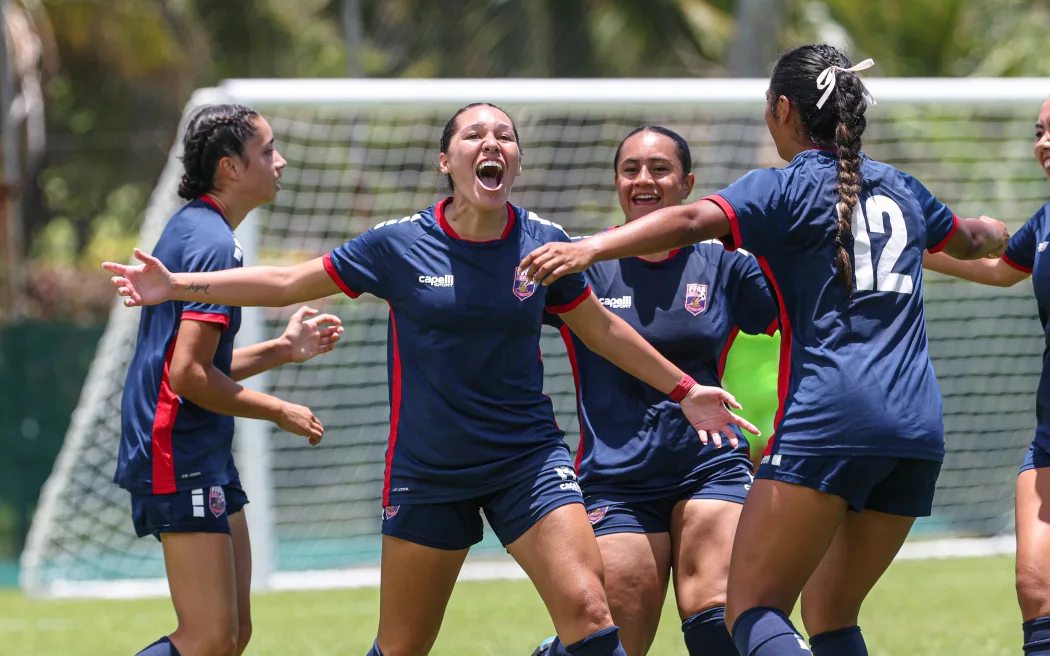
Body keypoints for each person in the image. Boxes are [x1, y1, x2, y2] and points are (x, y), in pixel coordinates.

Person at [104, 102, 759, 656]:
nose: (491, 143)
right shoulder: (397, 245)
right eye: (473, 136)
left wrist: (686, 390)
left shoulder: (544, 245)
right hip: (429, 470)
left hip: (527, 462)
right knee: (403, 645)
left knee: (592, 614)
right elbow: (284, 282)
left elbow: (604, 331)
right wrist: (177, 284)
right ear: (447, 163)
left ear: (518, 164)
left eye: (504, 136)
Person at [518, 44, 1010, 656]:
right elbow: (968, 239)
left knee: (749, 609)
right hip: (916, 430)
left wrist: (591, 247)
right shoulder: (903, 189)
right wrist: (1006, 236)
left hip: (829, 421)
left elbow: (696, 221)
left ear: (782, 109)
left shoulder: (785, 191)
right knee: (830, 613)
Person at [532, 126, 778, 656]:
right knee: (619, 638)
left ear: (687, 183)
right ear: (617, 183)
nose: (644, 180)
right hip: (617, 478)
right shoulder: (581, 264)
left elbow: (803, 314)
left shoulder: (725, 264)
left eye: (660, 169)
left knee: (718, 613)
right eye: (631, 170)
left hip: (710, 463)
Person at [116, 104, 342, 656]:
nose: (280, 161)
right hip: (177, 445)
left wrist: (282, 350)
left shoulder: (206, 230)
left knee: (233, 636)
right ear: (229, 168)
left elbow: (198, 369)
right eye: (267, 151)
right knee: (207, 637)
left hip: (198, 443)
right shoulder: (211, 242)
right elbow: (188, 376)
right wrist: (278, 409)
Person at [922, 96, 1050, 656]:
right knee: (1036, 586)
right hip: (1048, 438)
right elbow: (1000, 269)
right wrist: (913, 244)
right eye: (1040, 132)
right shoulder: (1046, 220)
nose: (1044, 143)